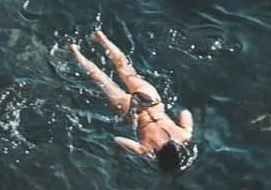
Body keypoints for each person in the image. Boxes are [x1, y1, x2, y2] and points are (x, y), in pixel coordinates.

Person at [70, 27, 196, 172]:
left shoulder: (185, 134)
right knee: (100, 79)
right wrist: (140, 154)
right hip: (131, 109)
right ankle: (75, 51)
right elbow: (117, 140)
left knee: (124, 67)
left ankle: (101, 37)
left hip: (151, 99)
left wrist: (189, 131)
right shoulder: (147, 150)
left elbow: (185, 113)